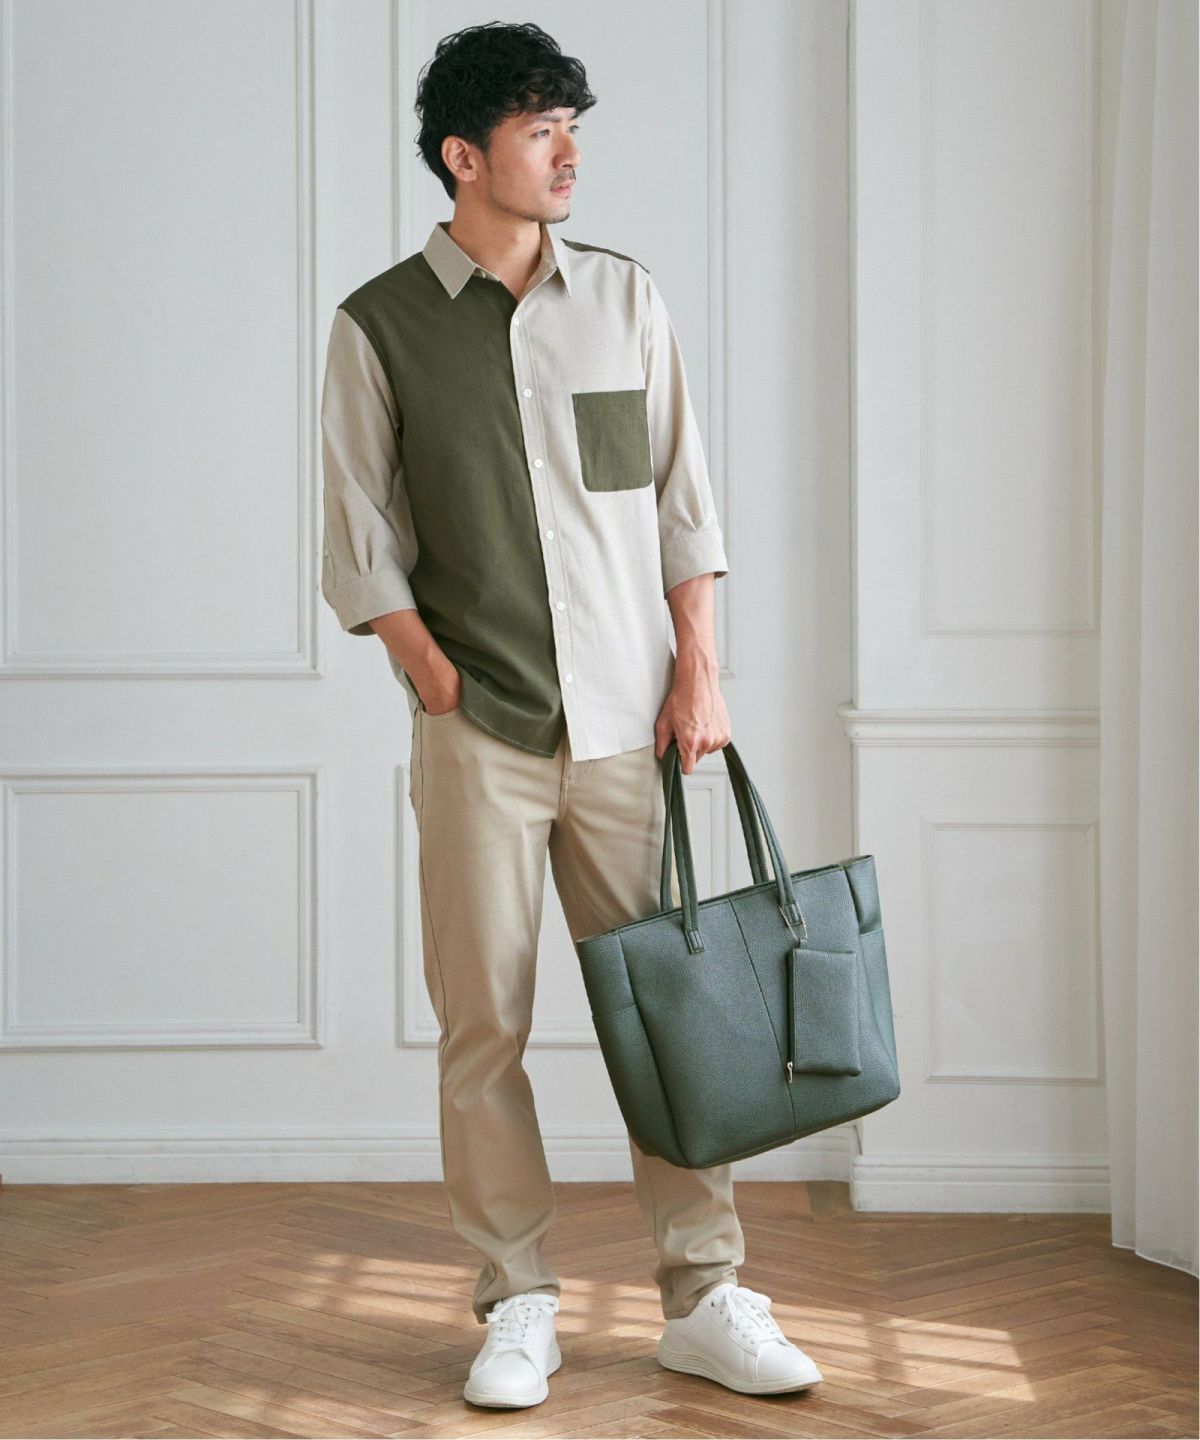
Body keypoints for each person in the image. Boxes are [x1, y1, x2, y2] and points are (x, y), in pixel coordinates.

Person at [319, 18, 823, 1412]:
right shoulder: (378, 325)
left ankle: (704, 1296)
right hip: (478, 732)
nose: (567, 154)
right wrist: (434, 681)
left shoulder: (625, 299)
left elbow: (680, 499)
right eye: (539, 131)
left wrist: (698, 666)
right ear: (462, 156)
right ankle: (517, 1299)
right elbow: (359, 540)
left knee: (672, 1018)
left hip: (626, 727)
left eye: (571, 128)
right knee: (482, 1028)